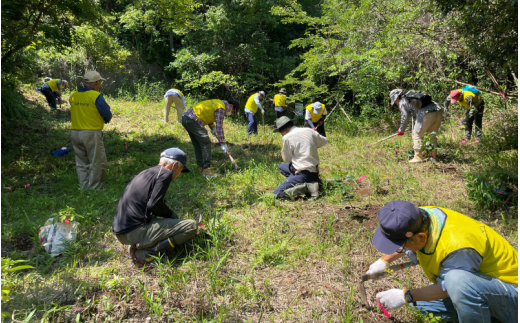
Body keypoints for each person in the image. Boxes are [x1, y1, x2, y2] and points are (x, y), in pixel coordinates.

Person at [367, 201, 518, 323]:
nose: (401, 248)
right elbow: (405, 240)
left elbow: (451, 286)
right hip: (480, 286)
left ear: (421, 238)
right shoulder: (418, 217)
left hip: (511, 295)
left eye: (403, 244)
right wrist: (384, 261)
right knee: (417, 305)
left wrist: (405, 296)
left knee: (456, 281)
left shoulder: (457, 246)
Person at [112, 148, 198, 266]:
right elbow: (154, 205)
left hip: (121, 231)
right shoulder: (165, 173)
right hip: (133, 231)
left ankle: (140, 245)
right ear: (175, 165)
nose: (178, 175)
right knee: (191, 226)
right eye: (180, 170)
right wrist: (172, 215)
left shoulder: (145, 173)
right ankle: (146, 254)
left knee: (166, 222)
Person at [69, 71, 112, 190]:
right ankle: (95, 188)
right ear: (96, 83)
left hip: (75, 132)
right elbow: (106, 113)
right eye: (100, 82)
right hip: (91, 132)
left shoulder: (74, 95)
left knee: (81, 161)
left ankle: (84, 186)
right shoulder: (95, 96)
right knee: (97, 161)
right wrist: (106, 119)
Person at [272, 116, 327, 200]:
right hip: (314, 171)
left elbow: (287, 159)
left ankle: (307, 187)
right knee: (281, 167)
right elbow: (323, 141)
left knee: (276, 194)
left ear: (282, 131)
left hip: (303, 173)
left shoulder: (287, 137)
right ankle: (311, 182)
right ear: (293, 124)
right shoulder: (309, 130)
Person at [182, 99, 239, 177]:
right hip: (193, 120)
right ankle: (207, 170)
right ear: (230, 106)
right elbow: (219, 126)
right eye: (232, 112)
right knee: (206, 143)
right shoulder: (221, 108)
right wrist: (223, 142)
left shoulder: (217, 103)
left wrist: (212, 127)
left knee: (198, 144)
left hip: (186, 118)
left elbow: (207, 113)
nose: (230, 113)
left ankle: (200, 167)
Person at [389, 89, 444, 163]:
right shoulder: (411, 96)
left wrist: (401, 131)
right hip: (438, 110)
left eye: (395, 101)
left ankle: (418, 157)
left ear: (397, 97)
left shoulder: (403, 101)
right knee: (432, 135)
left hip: (427, 113)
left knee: (417, 135)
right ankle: (432, 156)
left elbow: (405, 118)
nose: (396, 103)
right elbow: (415, 117)